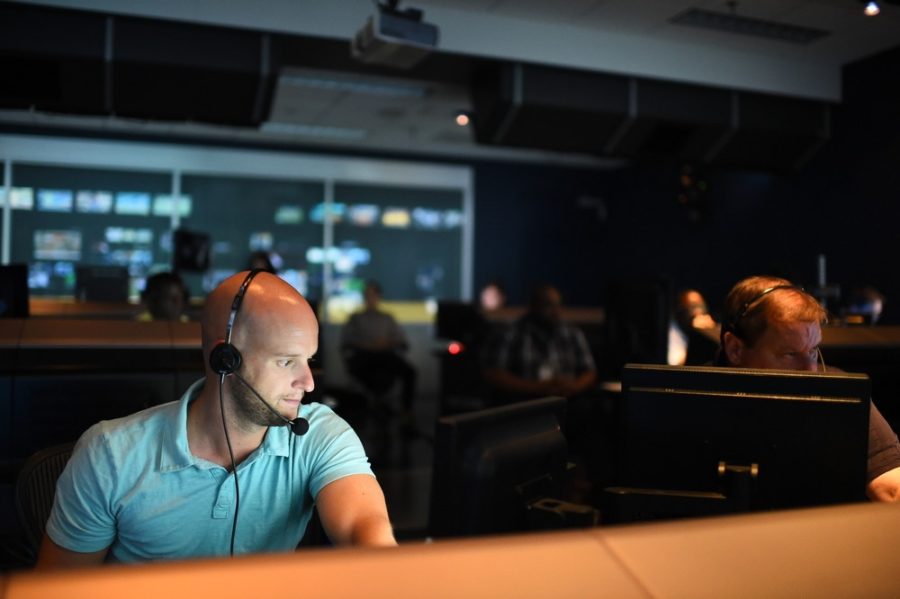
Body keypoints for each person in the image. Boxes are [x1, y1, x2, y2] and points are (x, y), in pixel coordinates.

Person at [38, 270, 396, 568]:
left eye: (309, 360)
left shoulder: (318, 434)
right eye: (286, 362)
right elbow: (57, 591)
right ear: (224, 360)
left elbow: (364, 529)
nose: (308, 382)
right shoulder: (109, 455)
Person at [718, 275, 900, 502]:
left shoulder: (842, 397)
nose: (810, 370)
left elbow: (892, 487)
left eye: (813, 350)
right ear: (735, 349)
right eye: (790, 354)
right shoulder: (691, 402)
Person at [482, 284, 597, 401]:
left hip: (568, 405)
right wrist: (538, 388)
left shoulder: (573, 334)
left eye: (557, 305)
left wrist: (573, 387)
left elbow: (589, 371)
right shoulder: (510, 333)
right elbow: (493, 374)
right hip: (522, 406)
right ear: (534, 305)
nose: (554, 311)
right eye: (548, 305)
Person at [340, 280, 417, 428]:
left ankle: (407, 410)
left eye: (373, 295)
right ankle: (376, 409)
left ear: (378, 297)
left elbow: (401, 340)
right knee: (377, 376)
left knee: (410, 372)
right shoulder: (355, 318)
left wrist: (386, 343)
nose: (370, 298)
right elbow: (347, 342)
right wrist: (367, 345)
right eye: (367, 295)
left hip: (385, 356)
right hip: (363, 357)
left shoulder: (387, 318)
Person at [668, 288, 718, 366]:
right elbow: (674, 366)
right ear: (679, 310)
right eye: (693, 306)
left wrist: (710, 331)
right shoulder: (670, 333)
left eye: (701, 306)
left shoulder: (706, 331)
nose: (699, 312)